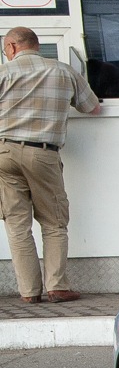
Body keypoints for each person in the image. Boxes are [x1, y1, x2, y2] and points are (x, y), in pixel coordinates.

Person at [0, 26, 100, 303]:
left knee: (17, 223)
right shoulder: (63, 71)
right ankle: (56, 286)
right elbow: (93, 108)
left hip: (4, 152)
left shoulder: (3, 73)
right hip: (43, 153)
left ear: (11, 48)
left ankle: (29, 292)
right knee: (54, 222)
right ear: (36, 46)